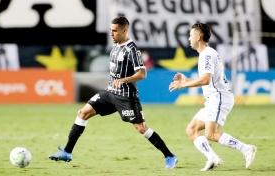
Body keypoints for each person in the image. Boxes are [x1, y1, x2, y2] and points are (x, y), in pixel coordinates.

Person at [49, 16, 178, 169]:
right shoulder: (115, 45)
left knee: (141, 128)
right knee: (82, 113)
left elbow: (142, 74)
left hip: (126, 96)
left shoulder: (132, 50)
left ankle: (169, 156)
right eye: (110, 30)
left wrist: (124, 80)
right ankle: (67, 152)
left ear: (124, 30)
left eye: (114, 31)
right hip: (110, 93)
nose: (111, 34)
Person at [168, 23, 257, 171]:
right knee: (191, 129)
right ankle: (212, 158)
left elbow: (206, 80)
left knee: (211, 134)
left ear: (199, 37)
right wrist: (186, 80)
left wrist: (183, 85)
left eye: (191, 35)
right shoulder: (205, 54)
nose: (189, 39)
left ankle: (246, 149)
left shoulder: (208, 54)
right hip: (214, 99)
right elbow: (207, 80)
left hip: (219, 98)